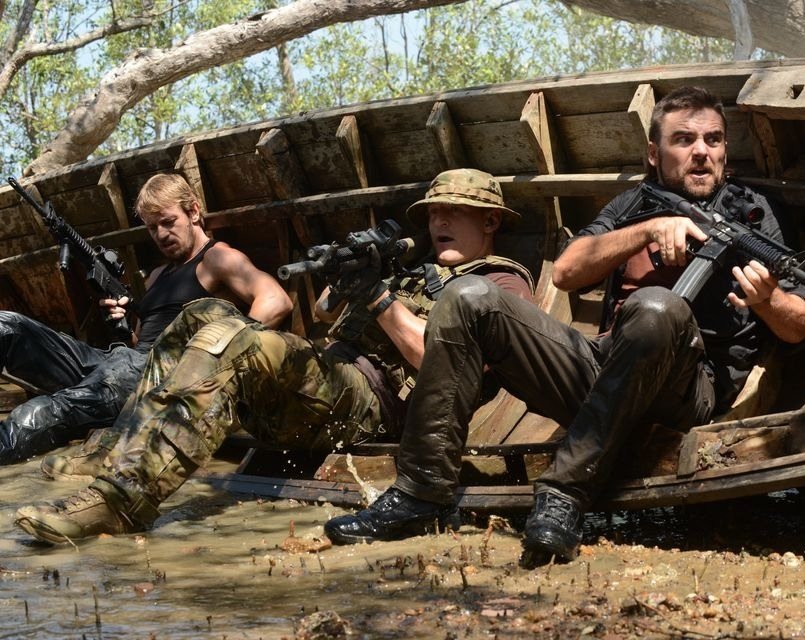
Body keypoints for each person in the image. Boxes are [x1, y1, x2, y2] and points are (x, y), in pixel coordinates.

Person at [322, 86, 805, 562]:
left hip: (686, 391)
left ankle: (565, 495)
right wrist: (649, 229)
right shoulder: (634, 204)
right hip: (602, 368)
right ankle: (421, 491)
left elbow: (797, 325)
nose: (701, 152)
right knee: (467, 296)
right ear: (653, 154)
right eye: (684, 140)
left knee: (658, 307)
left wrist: (768, 300)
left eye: (713, 140)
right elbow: (567, 272)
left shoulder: (753, 213)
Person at [14, 168, 536, 544]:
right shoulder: (417, 271)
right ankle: (119, 452)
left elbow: (444, 365)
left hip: (376, 406)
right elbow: (327, 311)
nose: (440, 221)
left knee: (237, 337)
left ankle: (122, 501)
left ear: (491, 221)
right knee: (202, 313)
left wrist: (379, 297)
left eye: (455, 211)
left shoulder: (500, 284)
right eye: (434, 212)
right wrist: (352, 273)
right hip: (329, 380)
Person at [0, 173, 292, 467]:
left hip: (158, 379)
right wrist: (123, 326)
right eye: (152, 227)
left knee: (50, 410)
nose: (161, 234)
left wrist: (211, 365)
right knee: (8, 327)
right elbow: (140, 344)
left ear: (193, 211)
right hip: (120, 366)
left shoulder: (216, 258)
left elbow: (276, 301)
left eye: (168, 222)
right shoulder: (157, 276)